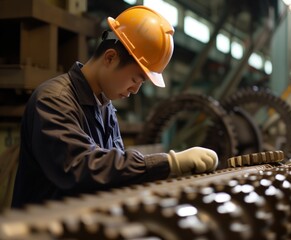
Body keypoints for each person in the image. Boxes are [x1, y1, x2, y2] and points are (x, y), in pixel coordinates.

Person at [11, 5, 218, 208]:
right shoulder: (53, 100)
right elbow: (81, 168)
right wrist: (168, 163)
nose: (135, 90)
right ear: (110, 58)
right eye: (136, 78)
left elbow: (114, 171)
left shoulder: (104, 106)